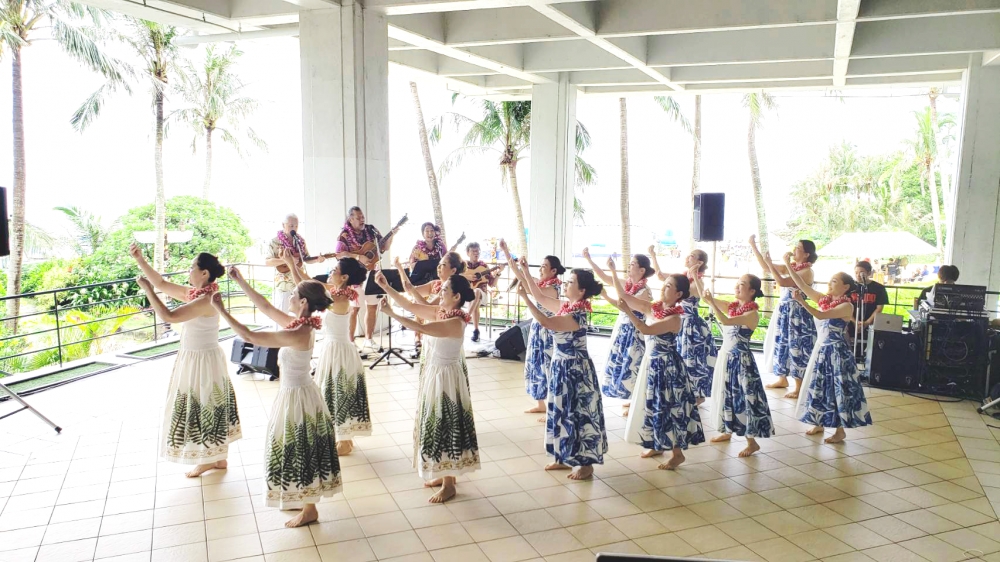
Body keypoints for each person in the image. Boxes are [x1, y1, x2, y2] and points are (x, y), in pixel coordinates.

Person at [213, 271, 340, 528]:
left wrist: (221, 311)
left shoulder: (300, 332)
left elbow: (251, 337)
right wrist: (240, 280)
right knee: (294, 446)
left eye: (294, 295)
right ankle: (304, 498)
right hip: (295, 394)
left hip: (299, 397)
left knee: (300, 447)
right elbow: (266, 306)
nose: (290, 297)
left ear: (303, 302)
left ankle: (309, 508)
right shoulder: (299, 324)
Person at [129, 244, 240, 478]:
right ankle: (218, 458)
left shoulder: (206, 299)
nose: (189, 271)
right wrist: (140, 260)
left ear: (204, 274)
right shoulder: (196, 294)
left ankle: (209, 458)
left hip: (202, 359)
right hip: (196, 356)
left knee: (204, 405)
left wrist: (148, 290)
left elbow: (169, 316)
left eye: (192, 267)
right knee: (205, 402)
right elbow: (162, 283)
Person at [375, 271, 480, 503]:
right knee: (435, 423)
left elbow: (420, 328)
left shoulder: (454, 322)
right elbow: (412, 306)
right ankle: (443, 473)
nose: (439, 292)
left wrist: (390, 313)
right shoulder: (441, 312)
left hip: (446, 379)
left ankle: (449, 483)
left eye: (444, 290)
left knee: (445, 424)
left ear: (456, 297)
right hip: (435, 374)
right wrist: (387, 288)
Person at [513, 263, 608, 480]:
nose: (566, 284)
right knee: (561, 410)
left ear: (582, 291)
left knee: (578, 412)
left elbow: (546, 321)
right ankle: (563, 456)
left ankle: (586, 464)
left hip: (575, 369)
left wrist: (525, 299)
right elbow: (540, 296)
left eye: (571, 282)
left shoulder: (578, 313)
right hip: (560, 365)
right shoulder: (567, 306)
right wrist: (526, 275)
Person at [608, 264, 704, 470]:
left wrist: (627, 312)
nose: (663, 288)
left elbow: (645, 328)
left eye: (669, 286)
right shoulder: (655, 308)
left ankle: (677, 453)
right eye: (664, 284)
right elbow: (625, 295)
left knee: (668, 407)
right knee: (651, 404)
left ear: (678, 294)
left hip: (666, 366)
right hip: (651, 363)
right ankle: (657, 443)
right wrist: (614, 273)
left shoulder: (674, 318)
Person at [282, 250, 370, 457]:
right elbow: (308, 284)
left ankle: (345, 440)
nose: (331, 272)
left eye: (335, 269)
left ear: (345, 277)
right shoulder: (335, 292)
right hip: (333, 348)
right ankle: (342, 436)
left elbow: (306, 287)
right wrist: (291, 265)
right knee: (332, 391)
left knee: (339, 392)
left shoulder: (339, 297)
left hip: (339, 351)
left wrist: (291, 264)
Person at [784, 260, 873, 443]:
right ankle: (819, 421)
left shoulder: (847, 306)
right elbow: (801, 284)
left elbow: (821, 315)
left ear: (846, 287)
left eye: (834, 281)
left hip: (837, 353)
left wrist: (801, 302)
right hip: (821, 351)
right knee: (819, 387)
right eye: (830, 280)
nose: (829, 284)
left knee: (837, 389)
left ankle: (840, 430)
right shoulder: (825, 300)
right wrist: (788, 264)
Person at [698, 274, 774, 457]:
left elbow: (725, 321)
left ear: (752, 291)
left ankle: (751, 442)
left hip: (741, 361)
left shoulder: (751, 314)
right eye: (737, 284)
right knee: (726, 394)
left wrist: (713, 304)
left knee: (743, 397)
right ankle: (726, 430)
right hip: (726, 357)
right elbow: (705, 298)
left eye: (742, 285)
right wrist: (694, 274)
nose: (737, 287)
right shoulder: (733, 306)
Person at [583, 248, 654, 415]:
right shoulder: (628, 284)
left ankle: (640, 400)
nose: (629, 267)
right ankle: (634, 398)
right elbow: (605, 278)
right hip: (623, 328)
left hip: (636, 330)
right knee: (624, 362)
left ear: (642, 270)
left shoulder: (644, 291)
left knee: (633, 363)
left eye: (632, 264)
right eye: (629, 264)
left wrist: (614, 273)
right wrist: (589, 260)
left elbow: (623, 301)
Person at [499, 241, 565, 417]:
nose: (541, 269)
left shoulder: (552, 289)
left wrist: (525, 274)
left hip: (549, 331)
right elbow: (519, 274)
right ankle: (541, 403)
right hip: (537, 329)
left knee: (549, 367)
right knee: (536, 364)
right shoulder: (541, 285)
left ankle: (553, 408)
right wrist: (506, 251)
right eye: (541, 266)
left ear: (553, 271)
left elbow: (534, 290)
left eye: (544, 267)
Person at [751, 235, 818, 399]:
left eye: (798, 248)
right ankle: (782, 378)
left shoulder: (806, 271)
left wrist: (786, 263)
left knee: (798, 346)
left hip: (797, 313)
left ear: (807, 254)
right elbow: (766, 267)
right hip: (785, 311)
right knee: (782, 343)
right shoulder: (795, 267)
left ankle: (799, 386)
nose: (794, 250)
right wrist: (754, 246)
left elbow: (782, 282)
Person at [334, 207, 393, 349]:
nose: (362, 219)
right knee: (354, 309)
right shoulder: (344, 235)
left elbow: (384, 246)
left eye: (363, 217)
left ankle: (369, 339)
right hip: (355, 275)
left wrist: (392, 235)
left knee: (372, 306)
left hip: (372, 272)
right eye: (358, 217)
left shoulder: (371, 230)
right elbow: (338, 254)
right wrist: (357, 256)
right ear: (351, 219)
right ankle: (350, 341)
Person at [395, 252, 468, 358]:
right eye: (439, 264)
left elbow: (428, 307)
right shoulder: (435, 284)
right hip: (430, 331)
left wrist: (413, 291)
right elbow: (410, 290)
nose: (438, 267)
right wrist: (400, 269)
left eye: (443, 264)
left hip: (442, 333)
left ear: (453, 270)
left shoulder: (449, 291)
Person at [265, 214, 325, 314]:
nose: (294, 228)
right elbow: (268, 262)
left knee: (298, 314)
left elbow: (305, 259)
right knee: (282, 314)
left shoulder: (300, 241)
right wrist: (287, 260)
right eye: (291, 225)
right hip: (283, 284)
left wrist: (317, 260)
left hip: (299, 282)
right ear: (283, 225)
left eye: (296, 226)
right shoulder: (274, 242)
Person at [464, 241, 505, 343]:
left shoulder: (484, 266)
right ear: (467, 253)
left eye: (477, 251)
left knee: (477, 291)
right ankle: (476, 330)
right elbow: (455, 276)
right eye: (473, 251)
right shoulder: (463, 265)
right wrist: (468, 276)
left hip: (482, 294)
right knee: (474, 297)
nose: (476, 253)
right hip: (465, 295)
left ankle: (466, 318)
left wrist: (499, 273)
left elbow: (492, 284)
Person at [850, 260, 890, 356]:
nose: (858, 275)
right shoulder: (851, 287)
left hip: (870, 323)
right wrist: (854, 321)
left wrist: (867, 322)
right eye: (856, 272)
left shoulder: (879, 288)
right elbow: (845, 306)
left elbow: (879, 308)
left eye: (861, 272)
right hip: (852, 322)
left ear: (869, 273)